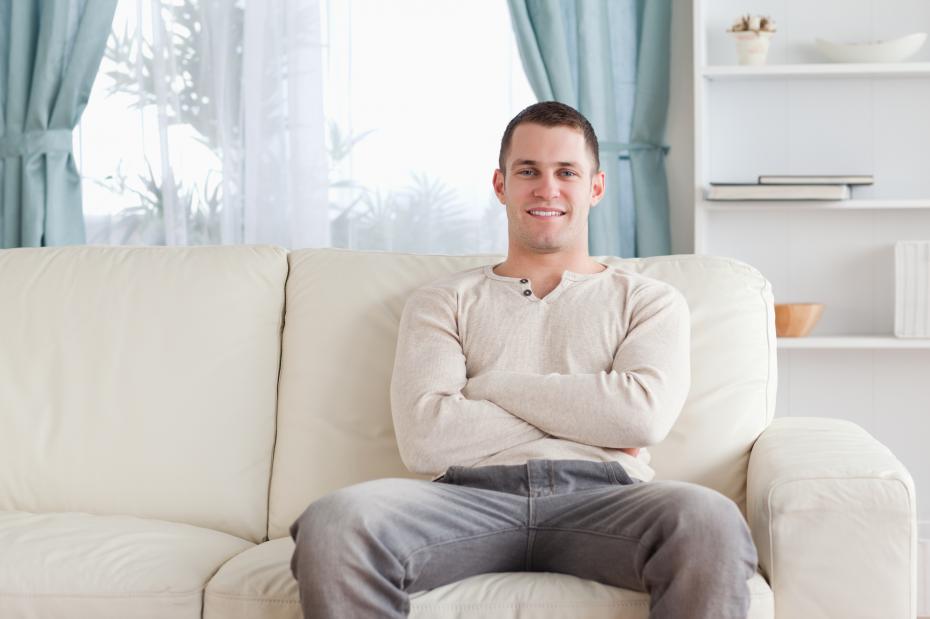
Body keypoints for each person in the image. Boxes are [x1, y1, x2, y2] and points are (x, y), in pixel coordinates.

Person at [289, 101, 758, 618]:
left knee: (710, 519)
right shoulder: (442, 301)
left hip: (607, 498)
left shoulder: (648, 301)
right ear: (500, 185)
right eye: (528, 171)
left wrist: (487, 385)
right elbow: (425, 440)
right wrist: (592, 414)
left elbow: (640, 417)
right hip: (466, 500)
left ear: (595, 187)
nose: (547, 189)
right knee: (336, 521)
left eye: (567, 173)